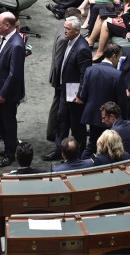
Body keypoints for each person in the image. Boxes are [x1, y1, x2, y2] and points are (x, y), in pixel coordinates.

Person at [50, 16, 92, 160]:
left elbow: (85, 75)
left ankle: (79, 155)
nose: (64, 31)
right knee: (62, 120)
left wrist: (80, 95)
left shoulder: (82, 48)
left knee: (76, 126)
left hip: (75, 94)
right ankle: (59, 150)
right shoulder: (69, 42)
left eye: (67, 29)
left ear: (76, 31)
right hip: (65, 90)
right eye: (64, 28)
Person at [0, 13, 26, 167]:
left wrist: (3, 93)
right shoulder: (4, 38)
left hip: (7, 93)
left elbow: (14, 73)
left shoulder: (16, 44)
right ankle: (9, 144)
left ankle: (10, 153)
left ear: (7, 26)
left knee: (8, 121)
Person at [75, 43, 124, 159]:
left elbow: (83, 94)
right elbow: (121, 100)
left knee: (92, 144)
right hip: (110, 117)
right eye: (119, 57)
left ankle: (80, 167)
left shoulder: (90, 70)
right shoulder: (118, 75)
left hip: (92, 115)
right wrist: (123, 118)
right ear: (114, 56)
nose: (118, 60)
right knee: (109, 145)